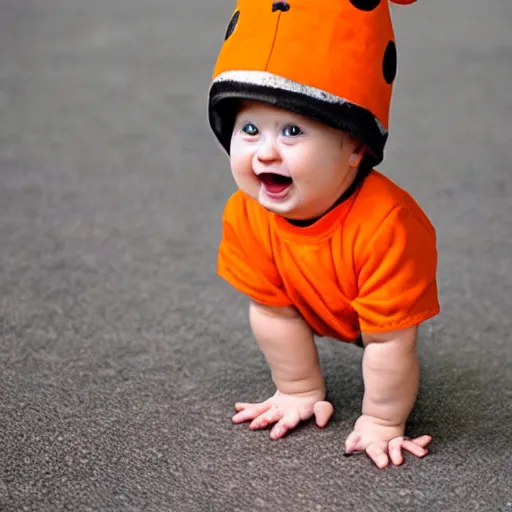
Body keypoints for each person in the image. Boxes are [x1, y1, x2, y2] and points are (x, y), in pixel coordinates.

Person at [207, 0, 440, 469]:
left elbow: (391, 344)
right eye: (249, 128)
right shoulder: (246, 215)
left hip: (374, 312)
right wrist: (297, 388)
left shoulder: (387, 227)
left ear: (354, 146)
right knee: (276, 314)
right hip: (309, 297)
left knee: (386, 341)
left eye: (292, 131)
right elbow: (274, 313)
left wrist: (381, 420)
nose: (265, 152)